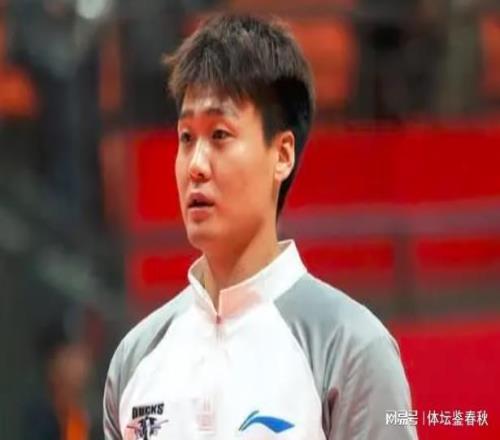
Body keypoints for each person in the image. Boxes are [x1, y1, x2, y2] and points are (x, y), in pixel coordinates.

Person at [103, 13, 417, 439]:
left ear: (282, 154)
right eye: (186, 138)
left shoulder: (351, 348)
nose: (196, 165)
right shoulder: (134, 360)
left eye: (219, 134)